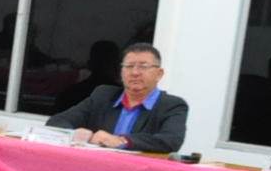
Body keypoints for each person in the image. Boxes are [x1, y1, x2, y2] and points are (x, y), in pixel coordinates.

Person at [44, 42, 187, 152]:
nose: (135, 72)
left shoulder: (172, 105)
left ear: (159, 74)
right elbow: (57, 121)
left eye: (143, 67)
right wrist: (73, 133)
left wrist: (123, 141)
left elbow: (171, 140)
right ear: (121, 72)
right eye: (129, 66)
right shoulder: (103, 95)